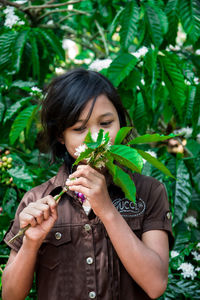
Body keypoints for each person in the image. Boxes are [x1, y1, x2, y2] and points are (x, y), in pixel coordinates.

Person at [2, 68, 173, 300]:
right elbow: (11, 295)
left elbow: (156, 285)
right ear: (61, 136)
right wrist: (31, 243)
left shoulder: (148, 192)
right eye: (79, 129)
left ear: (121, 123)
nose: (96, 138)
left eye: (105, 123)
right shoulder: (37, 200)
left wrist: (106, 210)